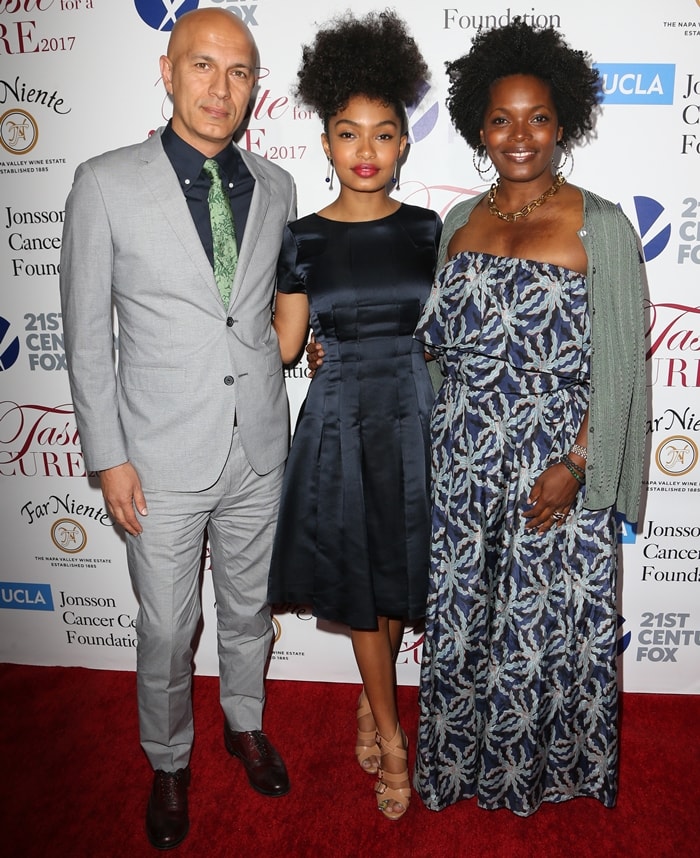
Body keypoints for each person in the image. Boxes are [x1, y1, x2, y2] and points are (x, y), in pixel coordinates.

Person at [59, 8, 296, 849]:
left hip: (260, 446)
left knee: (247, 606)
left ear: (253, 86)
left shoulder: (275, 185)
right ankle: (168, 760)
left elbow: (267, 314)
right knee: (165, 627)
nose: (220, 88)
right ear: (167, 72)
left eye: (238, 72)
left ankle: (243, 722)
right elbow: (87, 340)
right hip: (156, 457)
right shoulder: (103, 182)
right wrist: (108, 458)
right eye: (202, 66)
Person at [412, 18, 646, 817]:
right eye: (503, 118)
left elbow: (620, 368)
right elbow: (438, 351)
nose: (521, 136)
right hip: (464, 466)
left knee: (545, 633)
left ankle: (542, 774)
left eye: (538, 117)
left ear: (564, 123)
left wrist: (578, 466)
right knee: (467, 618)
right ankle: (460, 764)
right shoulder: (457, 225)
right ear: (480, 124)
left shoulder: (601, 226)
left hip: (557, 471)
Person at [267, 10, 440, 821]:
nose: (365, 150)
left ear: (405, 143)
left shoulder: (430, 230)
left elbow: (447, 332)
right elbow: (285, 343)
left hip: (415, 412)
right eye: (348, 133)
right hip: (338, 418)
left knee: (402, 567)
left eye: (382, 134)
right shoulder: (297, 236)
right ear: (327, 144)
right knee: (364, 576)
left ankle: (374, 700)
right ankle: (394, 733)